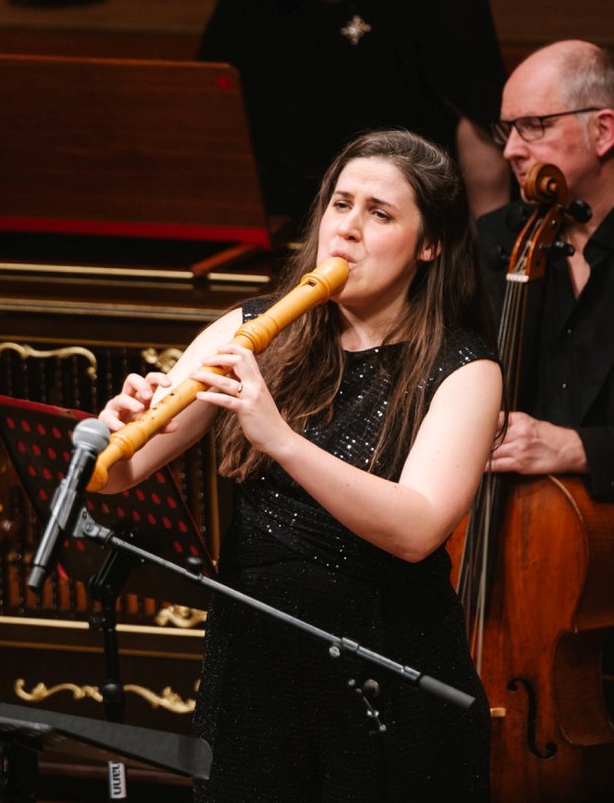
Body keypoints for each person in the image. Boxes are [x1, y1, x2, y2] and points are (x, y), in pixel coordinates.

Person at [96, 130, 500, 801]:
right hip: (255, 674)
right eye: (340, 204)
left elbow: (418, 527)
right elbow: (120, 472)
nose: (348, 228)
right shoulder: (251, 328)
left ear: (430, 245)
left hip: (389, 678)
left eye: (380, 213)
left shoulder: (463, 367)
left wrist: (279, 437)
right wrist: (117, 428)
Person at [198, 0, 507, 225]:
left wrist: (488, 247)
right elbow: (210, 103)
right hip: (285, 223)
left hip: (402, 224)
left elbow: (479, 123)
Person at [478, 40, 614, 502]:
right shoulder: (492, 242)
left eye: (534, 126)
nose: (512, 150)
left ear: (604, 130)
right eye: (507, 130)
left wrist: (580, 448)